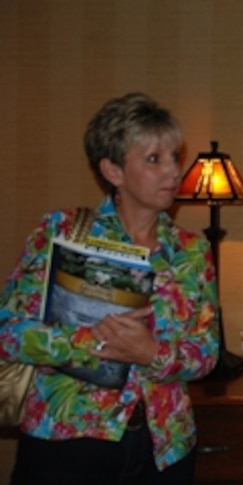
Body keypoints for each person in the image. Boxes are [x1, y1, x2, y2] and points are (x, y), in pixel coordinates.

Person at [0, 92, 220, 484]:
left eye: (175, 156)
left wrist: (152, 352)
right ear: (113, 171)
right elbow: (8, 332)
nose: (173, 171)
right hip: (67, 441)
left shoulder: (192, 250)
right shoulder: (63, 231)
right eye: (154, 159)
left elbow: (205, 353)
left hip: (164, 448)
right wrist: (91, 341)